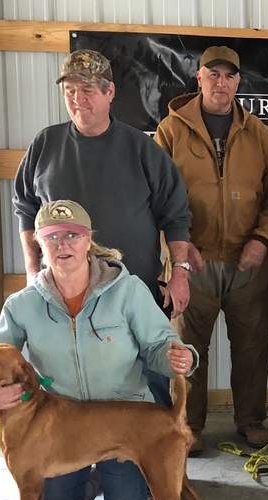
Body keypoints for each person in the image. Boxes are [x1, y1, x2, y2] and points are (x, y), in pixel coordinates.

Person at [0, 200, 198, 500]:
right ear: (39, 245)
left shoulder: (127, 290)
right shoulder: (22, 305)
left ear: (89, 241)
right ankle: (90, 478)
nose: (63, 245)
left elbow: (159, 345)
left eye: (72, 235)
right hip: (62, 430)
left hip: (123, 422)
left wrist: (180, 357)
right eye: (52, 237)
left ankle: (127, 482)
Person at [153, 46, 268, 455]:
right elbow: (157, 196)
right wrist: (179, 249)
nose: (221, 82)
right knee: (187, 349)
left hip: (248, 260)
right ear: (198, 78)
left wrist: (263, 239)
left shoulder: (259, 133)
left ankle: (251, 421)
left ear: (238, 81)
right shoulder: (171, 130)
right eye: (212, 74)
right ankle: (188, 425)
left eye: (229, 75)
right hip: (190, 262)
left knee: (252, 345)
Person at [13, 49, 193, 318]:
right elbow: (27, 212)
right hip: (61, 300)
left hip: (132, 296)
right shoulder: (44, 145)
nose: (78, 100)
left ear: (110, 92)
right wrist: (32, 272)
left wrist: (180, 273)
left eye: (87, 90)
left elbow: (176, 215)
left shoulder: (143, 149)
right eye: (70, 91)